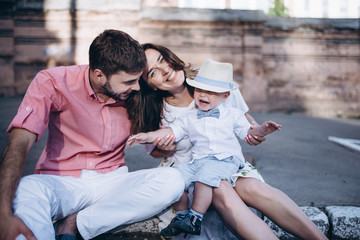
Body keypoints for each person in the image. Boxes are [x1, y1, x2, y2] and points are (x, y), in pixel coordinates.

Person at [127, 43, 328, 240]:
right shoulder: (153, 108)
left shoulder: (211, 76)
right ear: (149, 85)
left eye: (162, 59)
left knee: (254, 188)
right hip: (188, 167)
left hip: (225, 159)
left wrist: (256, 132)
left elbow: (243, 118)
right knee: (220, 189)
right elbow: (154, 150)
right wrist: (164, 150)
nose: (165, 70)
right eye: (153, 72)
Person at [0, 30, 184, 240]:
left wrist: (164, 148)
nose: (136, 87)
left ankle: (75, 223)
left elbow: (155, 148)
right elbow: (18, 143)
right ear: (99, 75)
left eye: (137, 80)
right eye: (128, 82)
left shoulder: (135, 91)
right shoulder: (52, 81)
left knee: (173, 180)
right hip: (63, 182)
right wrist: (3, 214)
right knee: (27, 189)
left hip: (113, 182)